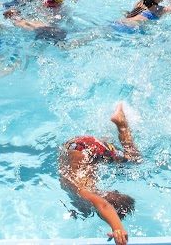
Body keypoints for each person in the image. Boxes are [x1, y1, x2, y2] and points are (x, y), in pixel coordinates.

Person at [58, 103, 140, 245]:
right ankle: (122, 124)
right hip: (80, 147)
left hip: (83, 148)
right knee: (135, 159)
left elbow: (99, 205)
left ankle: (108, 135)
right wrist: (118, 228)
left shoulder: (84, 191)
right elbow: (104, 205)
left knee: (119, 157)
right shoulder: (84, 191)